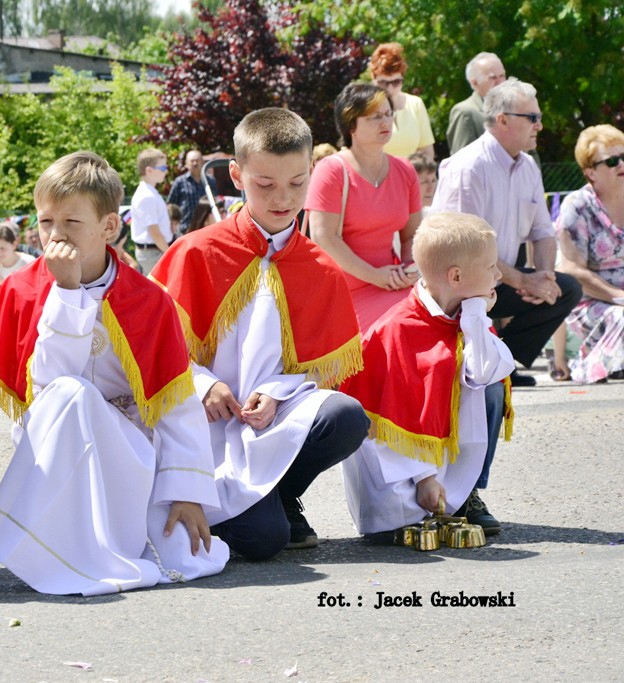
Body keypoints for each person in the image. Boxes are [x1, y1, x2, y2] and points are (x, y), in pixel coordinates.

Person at [0, 151, 228, 595]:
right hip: (58, 453)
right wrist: (66, 292)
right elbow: (49, 393)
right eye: (45, 221)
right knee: (72, 393)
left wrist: (188, 490)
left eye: (71, 223)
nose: (54, 235)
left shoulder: (150, 300)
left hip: (129, 450)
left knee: (187, 553)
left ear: (109, 227)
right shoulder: (20, 290)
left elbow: (176, 403)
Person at [150, 108, 369, 559]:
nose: (282, 198)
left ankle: (284, 493)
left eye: (297, 183)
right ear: (236, 174)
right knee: (265, 541)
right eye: (265, 184)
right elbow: (152, 344)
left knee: (347, 417)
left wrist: (277, 393)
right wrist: (204, 383)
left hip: (272, 420)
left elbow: (319, 371)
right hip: (202, 424)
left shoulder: (321, 268)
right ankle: (251, 507)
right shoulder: (195, 252)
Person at [431, 77, 582, 533]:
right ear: (502, 121)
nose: (540, 125)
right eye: (532, 117)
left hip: (498, 282)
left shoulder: (529, 165)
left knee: (568, 291)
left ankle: (504, 361)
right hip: (457, 289)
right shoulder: (467, 166)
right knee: (482, 384)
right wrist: (520, 279)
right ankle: (467, 488)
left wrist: (546, 277)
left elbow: (542, 231)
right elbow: (459, 249)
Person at [341, 213, 515, 537]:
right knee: (404, 523)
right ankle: (422, 501)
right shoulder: (396, 331)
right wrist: (423, 477)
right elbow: (391, 415)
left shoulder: (465, 310)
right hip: (395, 482)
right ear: (457, 276)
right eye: (491, 266)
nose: (499, 274)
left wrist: (477, 314)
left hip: (440, 472)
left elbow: (486, 370)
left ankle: (465, 496)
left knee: (490, 386)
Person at [306, 83, 423, 333]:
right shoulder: (332, 170)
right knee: (402, 332)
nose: (386, 122)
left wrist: (410, 268)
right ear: (351, 125)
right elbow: (324, 237)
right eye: (374, 117)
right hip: (342, 290)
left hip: (393, 283)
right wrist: (376, 276)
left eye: (388, 114)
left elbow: (412, 236)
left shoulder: (405, 170)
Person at [554, 124, 624, 383]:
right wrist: (618, 296)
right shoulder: (578, 206)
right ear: (590, 172)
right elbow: (572, 270)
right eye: (613, 161)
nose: (621, 165)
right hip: (591, 302)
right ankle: (586, 363)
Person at [369, 43, 435, 160]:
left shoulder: (416, 104)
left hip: (411, 175)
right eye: (383, 83)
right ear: (373, 79)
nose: (389, 89)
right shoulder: (365, 109)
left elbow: (427, 153)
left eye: (396, 82)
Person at [447, 53, 506, 155]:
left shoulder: (515, 108)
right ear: (474, 82)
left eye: (502, 76)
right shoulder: (465, 113)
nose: (499, 82)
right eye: (492, 78)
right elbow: (462, 161)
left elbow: (530, 152)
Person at [129, 148, 171, 274]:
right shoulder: (147, 196)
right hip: (153, 253)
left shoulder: (149, 192)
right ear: (149, 170)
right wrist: (170, 252)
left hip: (154, 251)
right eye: (162, 168)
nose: (166, 171)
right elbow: (154, 232)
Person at [0, 222, 35, 314]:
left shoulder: (29, 263)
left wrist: (5, 287)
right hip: (2, 316)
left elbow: (33, 297)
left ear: (14, 245)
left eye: (3, 248)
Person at [167, 149, 216, 227]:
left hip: (206, 228)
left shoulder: (210, 181)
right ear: (186, 164)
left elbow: (215, 202)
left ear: (203, 162)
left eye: (197, 160)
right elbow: (171, 205)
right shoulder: (180, 182)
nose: (195, 163)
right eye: (192, 161)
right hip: (185, 228)